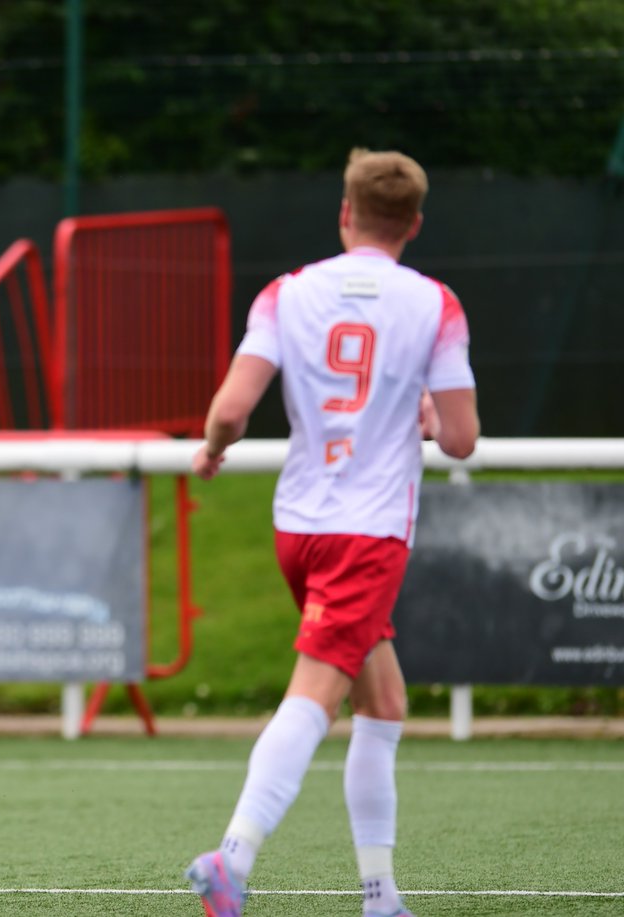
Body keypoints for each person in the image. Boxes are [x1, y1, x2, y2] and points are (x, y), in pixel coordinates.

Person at [184, 149, 480, 917]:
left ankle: (380, 895)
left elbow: (230, 411)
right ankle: (232, 857)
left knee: (383, 701)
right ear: (414, 224)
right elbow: (461, 439)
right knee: (316, 693)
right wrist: (423, 413)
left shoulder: (286, 293)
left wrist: (211, 450)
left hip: (298, 526)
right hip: (367, 533)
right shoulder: (436, 304)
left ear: (345, 213)